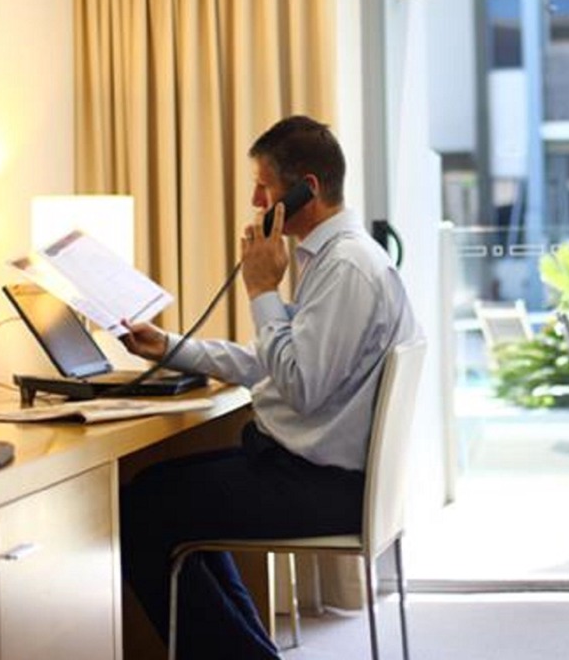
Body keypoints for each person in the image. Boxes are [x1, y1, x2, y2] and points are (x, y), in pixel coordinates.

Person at [118, 115, 421, 658]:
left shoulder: (346, 267)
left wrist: (262, 290)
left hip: (325, 487)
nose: (257, 200)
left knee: (142, 510)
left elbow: (300, 387)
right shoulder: (331, 260)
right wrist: (169, 347)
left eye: (264, 185)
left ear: (307, 186)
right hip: (316, 475)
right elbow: (271, 364)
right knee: (160, 497)